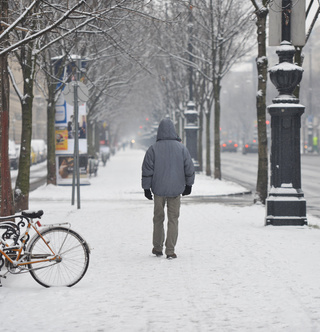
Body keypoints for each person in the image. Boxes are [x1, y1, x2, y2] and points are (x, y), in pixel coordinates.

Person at [141, 118, 195, 259]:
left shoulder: (153, 149)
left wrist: (146, 188)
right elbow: (189, 167)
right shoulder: (181, 148)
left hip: (158, 189)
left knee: (158, 218)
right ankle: (170, 250)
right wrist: (189, 185)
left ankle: (157, 247)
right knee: (173, 219)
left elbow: (147, 170)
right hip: (176, 189)